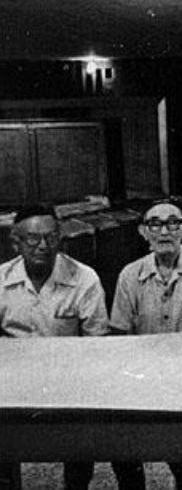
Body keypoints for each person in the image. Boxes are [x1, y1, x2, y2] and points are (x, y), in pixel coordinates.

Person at [108, 199, 182, 490]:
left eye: (173, 223)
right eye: (155, 224)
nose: (165, 231)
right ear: (143, 231)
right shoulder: (130, 275)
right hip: (142, 380)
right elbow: (119, 339)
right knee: (121, 451)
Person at [0, 204, 110, 490]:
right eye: (33, 239)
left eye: (51, 238)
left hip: (70, 380)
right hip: (13, 380)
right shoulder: (0, 280)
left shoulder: (85, 279)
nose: (43, 246)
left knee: (79, 441)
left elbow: (97, 345)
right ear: (16, 242)